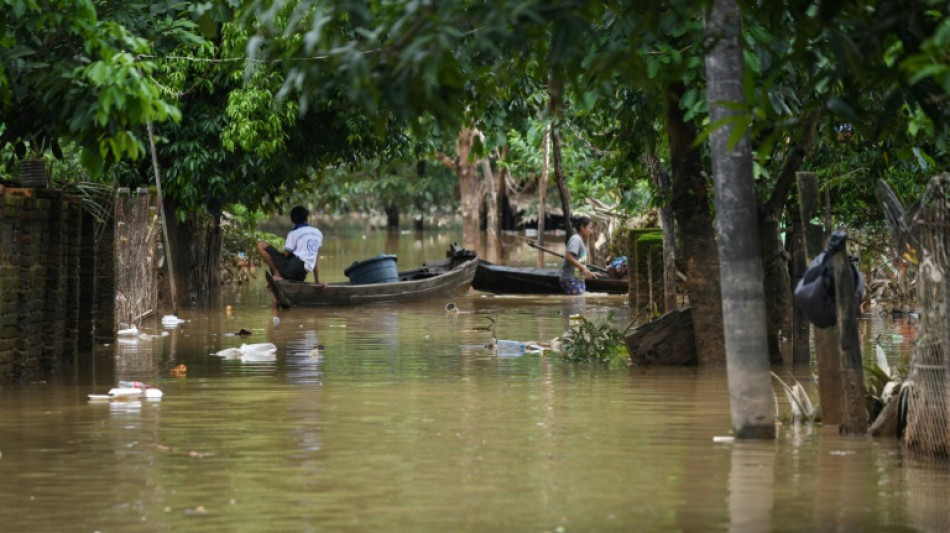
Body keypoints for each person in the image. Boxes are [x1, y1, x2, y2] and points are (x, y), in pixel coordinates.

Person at [257, 206, 325, 287]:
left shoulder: (294, 233)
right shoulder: (318, 233)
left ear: (292, 220)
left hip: (294, 267)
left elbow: (286, 254)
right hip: (302, 273)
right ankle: (281, 278)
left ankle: (277, 274)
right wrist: (317, 281)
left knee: (261, 244)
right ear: (306, 218)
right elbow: (315, 257)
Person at [559, 216, 599, 295]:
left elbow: (579, 262)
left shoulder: (579, 240)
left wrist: (589, 272)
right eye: (589, 228)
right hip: (571, 279)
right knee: (576, 305)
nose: (591, 231)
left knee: (579, 305)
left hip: (577, 279)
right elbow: (569, 256)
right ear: (582, 227)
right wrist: (583, 268)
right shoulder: (576, 239)